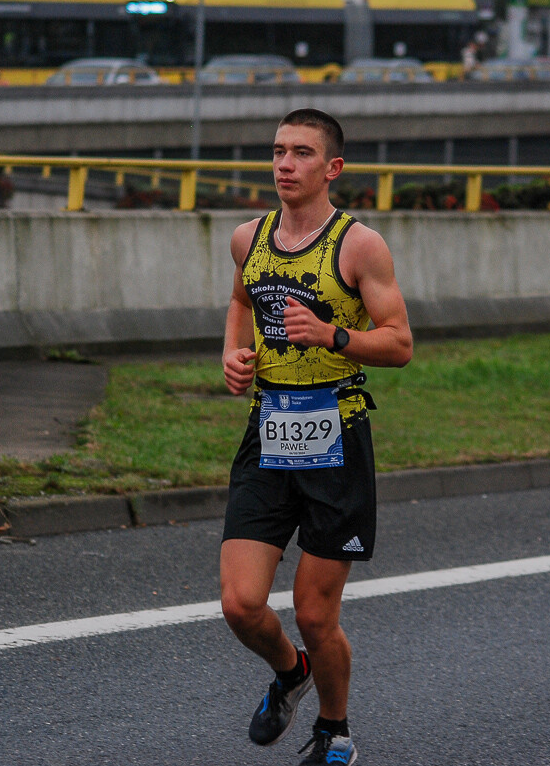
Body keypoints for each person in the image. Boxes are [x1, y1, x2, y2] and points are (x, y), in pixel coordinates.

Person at [220, 108, 413, 765]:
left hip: (337, 434)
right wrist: (234, 355)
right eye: (277, 150)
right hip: (269, 429)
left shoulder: (360, 245)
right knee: (242, 603)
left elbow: (400, 342)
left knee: (314, 610)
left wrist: (334, 334)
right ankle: (290, 673)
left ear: (332, 167)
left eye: (301, 152)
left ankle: (335, 728)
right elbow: (244, 301)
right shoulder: (249, 237)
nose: (284, 164)